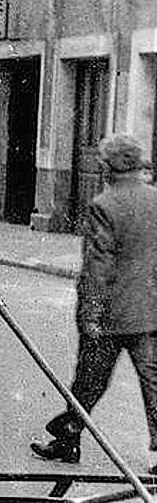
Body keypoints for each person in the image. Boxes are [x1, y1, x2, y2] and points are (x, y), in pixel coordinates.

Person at [31, 134, 157, 472]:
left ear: (108, 166)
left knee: (88, 381)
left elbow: (98, 267)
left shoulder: (105, 204)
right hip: (149, 312)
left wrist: (89, 315)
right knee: (153, 382)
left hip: (110, 316)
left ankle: (68, 439)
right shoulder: (155, 200)